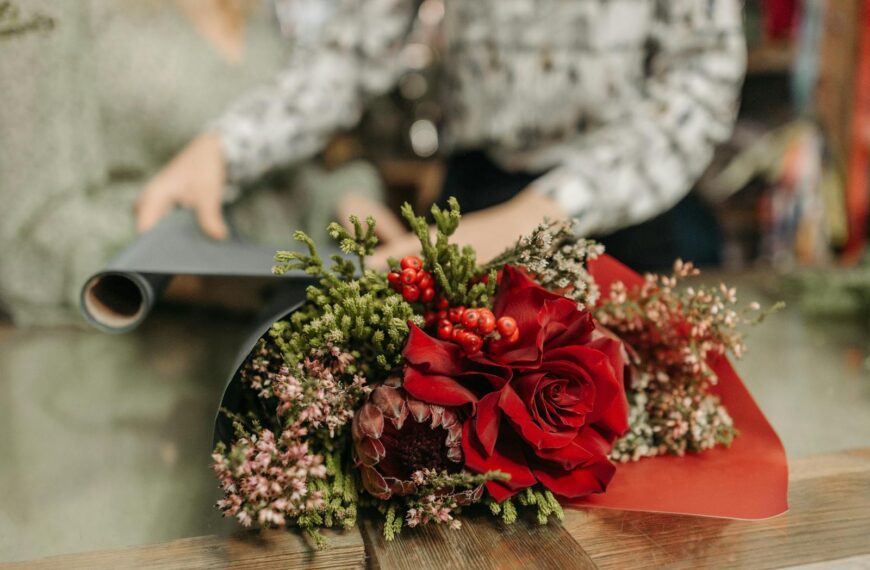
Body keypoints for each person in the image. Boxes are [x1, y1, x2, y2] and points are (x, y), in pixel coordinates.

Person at [137, 0, 746, 270]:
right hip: (473, 197)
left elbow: (700, 76)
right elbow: (351, 52)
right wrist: (227, 146)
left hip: (625, 208)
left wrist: (540, 215)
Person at [0, 0, 384, 324]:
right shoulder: (59, 9)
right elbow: (27, 224)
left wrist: (336, 199)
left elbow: (269, 168)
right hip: (131, 350)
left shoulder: (261, 10)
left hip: (280, 329)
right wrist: (188, 274)